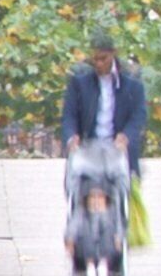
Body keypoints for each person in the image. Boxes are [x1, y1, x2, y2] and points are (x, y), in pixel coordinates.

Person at [61, 32, 148, 187]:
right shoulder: (80, 79)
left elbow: (138, 115)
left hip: (120, 152)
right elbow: (69, 114)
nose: (99, 64)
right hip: (87, 150)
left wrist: (126, 136)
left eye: (103, 59)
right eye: (95, 59)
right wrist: (71, 137)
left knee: (123, 200)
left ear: (113, 54)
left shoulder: (131, 79)